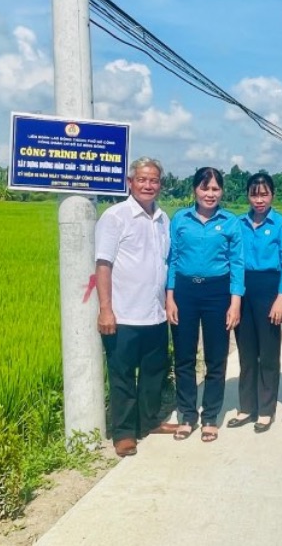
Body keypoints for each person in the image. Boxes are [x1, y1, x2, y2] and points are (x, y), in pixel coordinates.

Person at [95, 156, 177, 457]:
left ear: (160, 185)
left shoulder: (163, 218)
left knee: (154, 374)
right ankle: (124, 433)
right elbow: (103, 264)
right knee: (123, 376)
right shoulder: (115, 216)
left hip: (154, 314)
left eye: (153, 180)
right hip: (123, 314)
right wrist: (106, 309)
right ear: (130, 182)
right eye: (142, 179)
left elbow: (164, 263)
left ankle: (149, 421)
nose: (148, 185)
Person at [166, 167, 244, 443]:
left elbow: (237, 264)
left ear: (221, 191)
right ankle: (187, 415)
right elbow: (172, 259)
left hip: (218, 292)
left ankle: (210, 415)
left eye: (215, 189)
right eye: (204, 188)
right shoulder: (180, 219)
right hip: (185, 291)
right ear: (194, 190)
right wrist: (170, 296)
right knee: (184, 358)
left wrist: (235, 303)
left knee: (216, 357)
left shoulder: (230, 222)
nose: (209, 194)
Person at [228, 173, 282, 433]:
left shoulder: (281, 225)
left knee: (268, 352)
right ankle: (247, 406)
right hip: (242, 289)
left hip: (270, 289)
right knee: (246, 352)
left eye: (264, 194)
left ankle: (266, 410)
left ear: (272, 195)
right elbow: (233, 258)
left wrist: (281, 298)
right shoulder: (238, 223)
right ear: (248, 195)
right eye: (254, 194)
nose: (259, 199)